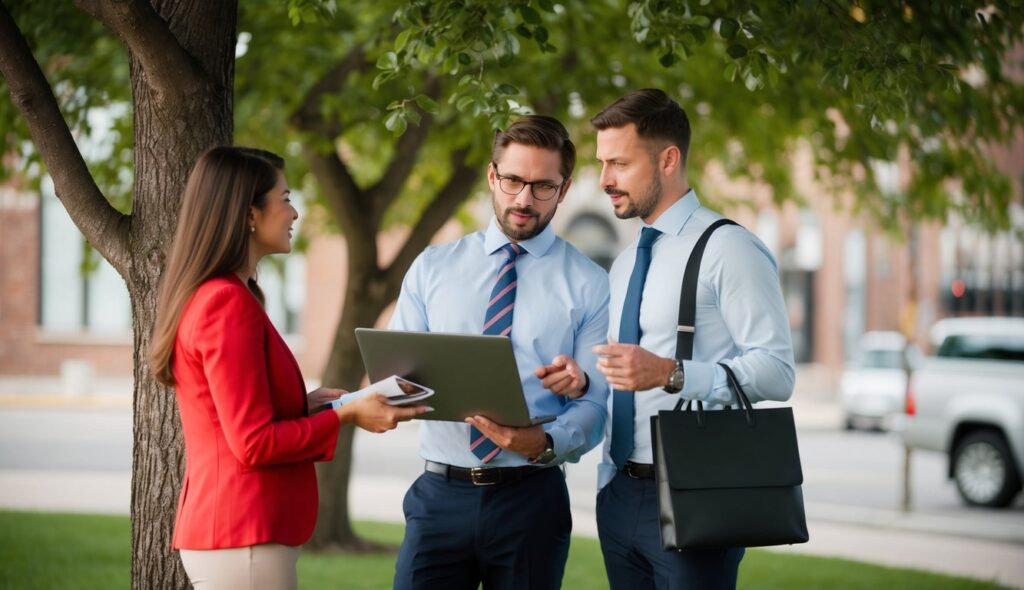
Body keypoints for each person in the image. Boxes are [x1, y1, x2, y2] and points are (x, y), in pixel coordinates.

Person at [148, 146, 427, 590]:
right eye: (286, 197)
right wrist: (346, 414)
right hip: (244, 537)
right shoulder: (225, 302)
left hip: (241, 538)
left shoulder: (226, 296)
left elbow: (238, 414)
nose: (295, 212)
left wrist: (307, 405)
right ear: (249, 214)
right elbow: (253, 442)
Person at [389, 115, 610, 589]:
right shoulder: (432, 268)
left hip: (531, 501)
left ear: (564, 189)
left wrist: (548, 443)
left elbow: (597, 403)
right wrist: (391, 394)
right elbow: (394, 378)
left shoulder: (590, 283)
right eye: (512, 180)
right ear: (492, 175)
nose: (524, 199)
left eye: (542, 186)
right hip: (439, 496)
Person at [590, 89, 796, 589]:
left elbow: (777, 371)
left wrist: (670, 373)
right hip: (618, 494)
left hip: (697, 493)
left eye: (618, 163)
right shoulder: (624, 263)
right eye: (602, 164)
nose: (604, 181)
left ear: (668, 159)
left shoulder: (731, 249)